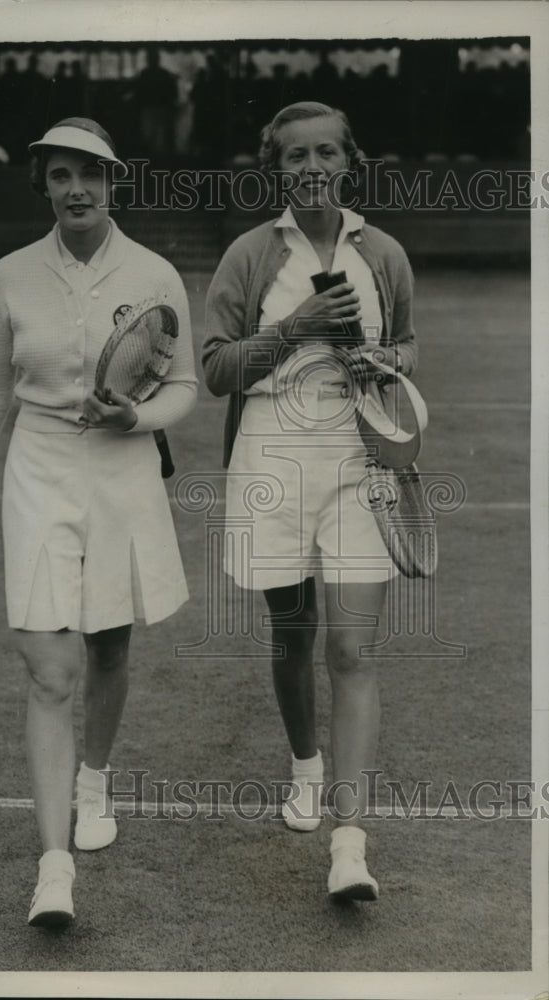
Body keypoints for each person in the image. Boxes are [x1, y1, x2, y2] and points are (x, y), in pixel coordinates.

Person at [0, 117, 197, 927]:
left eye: (90, 174)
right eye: (61, 176)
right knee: (50, 670)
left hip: (123, 467)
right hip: (40, 470)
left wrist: (135, 419)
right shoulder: (11, 275)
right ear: (44, 185)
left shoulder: (155, 272)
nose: (77, 190)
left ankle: (95, 779)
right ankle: (53, 867)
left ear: (115, 182)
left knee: (111, 643)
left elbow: (184, 387)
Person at [201, 101, 418, 901]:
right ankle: (303, 766)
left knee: (354, 652)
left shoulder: (382, 251)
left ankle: (349, 844)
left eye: (326, 151)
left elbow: (409, 342)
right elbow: (218, 369)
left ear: (349, 161)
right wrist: (295, 327)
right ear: (277, 168)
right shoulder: (250, 254)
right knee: (291, 634)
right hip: (270, 458)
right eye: (296, 156)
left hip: (357, 459)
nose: (312, 166)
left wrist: (378, 360)